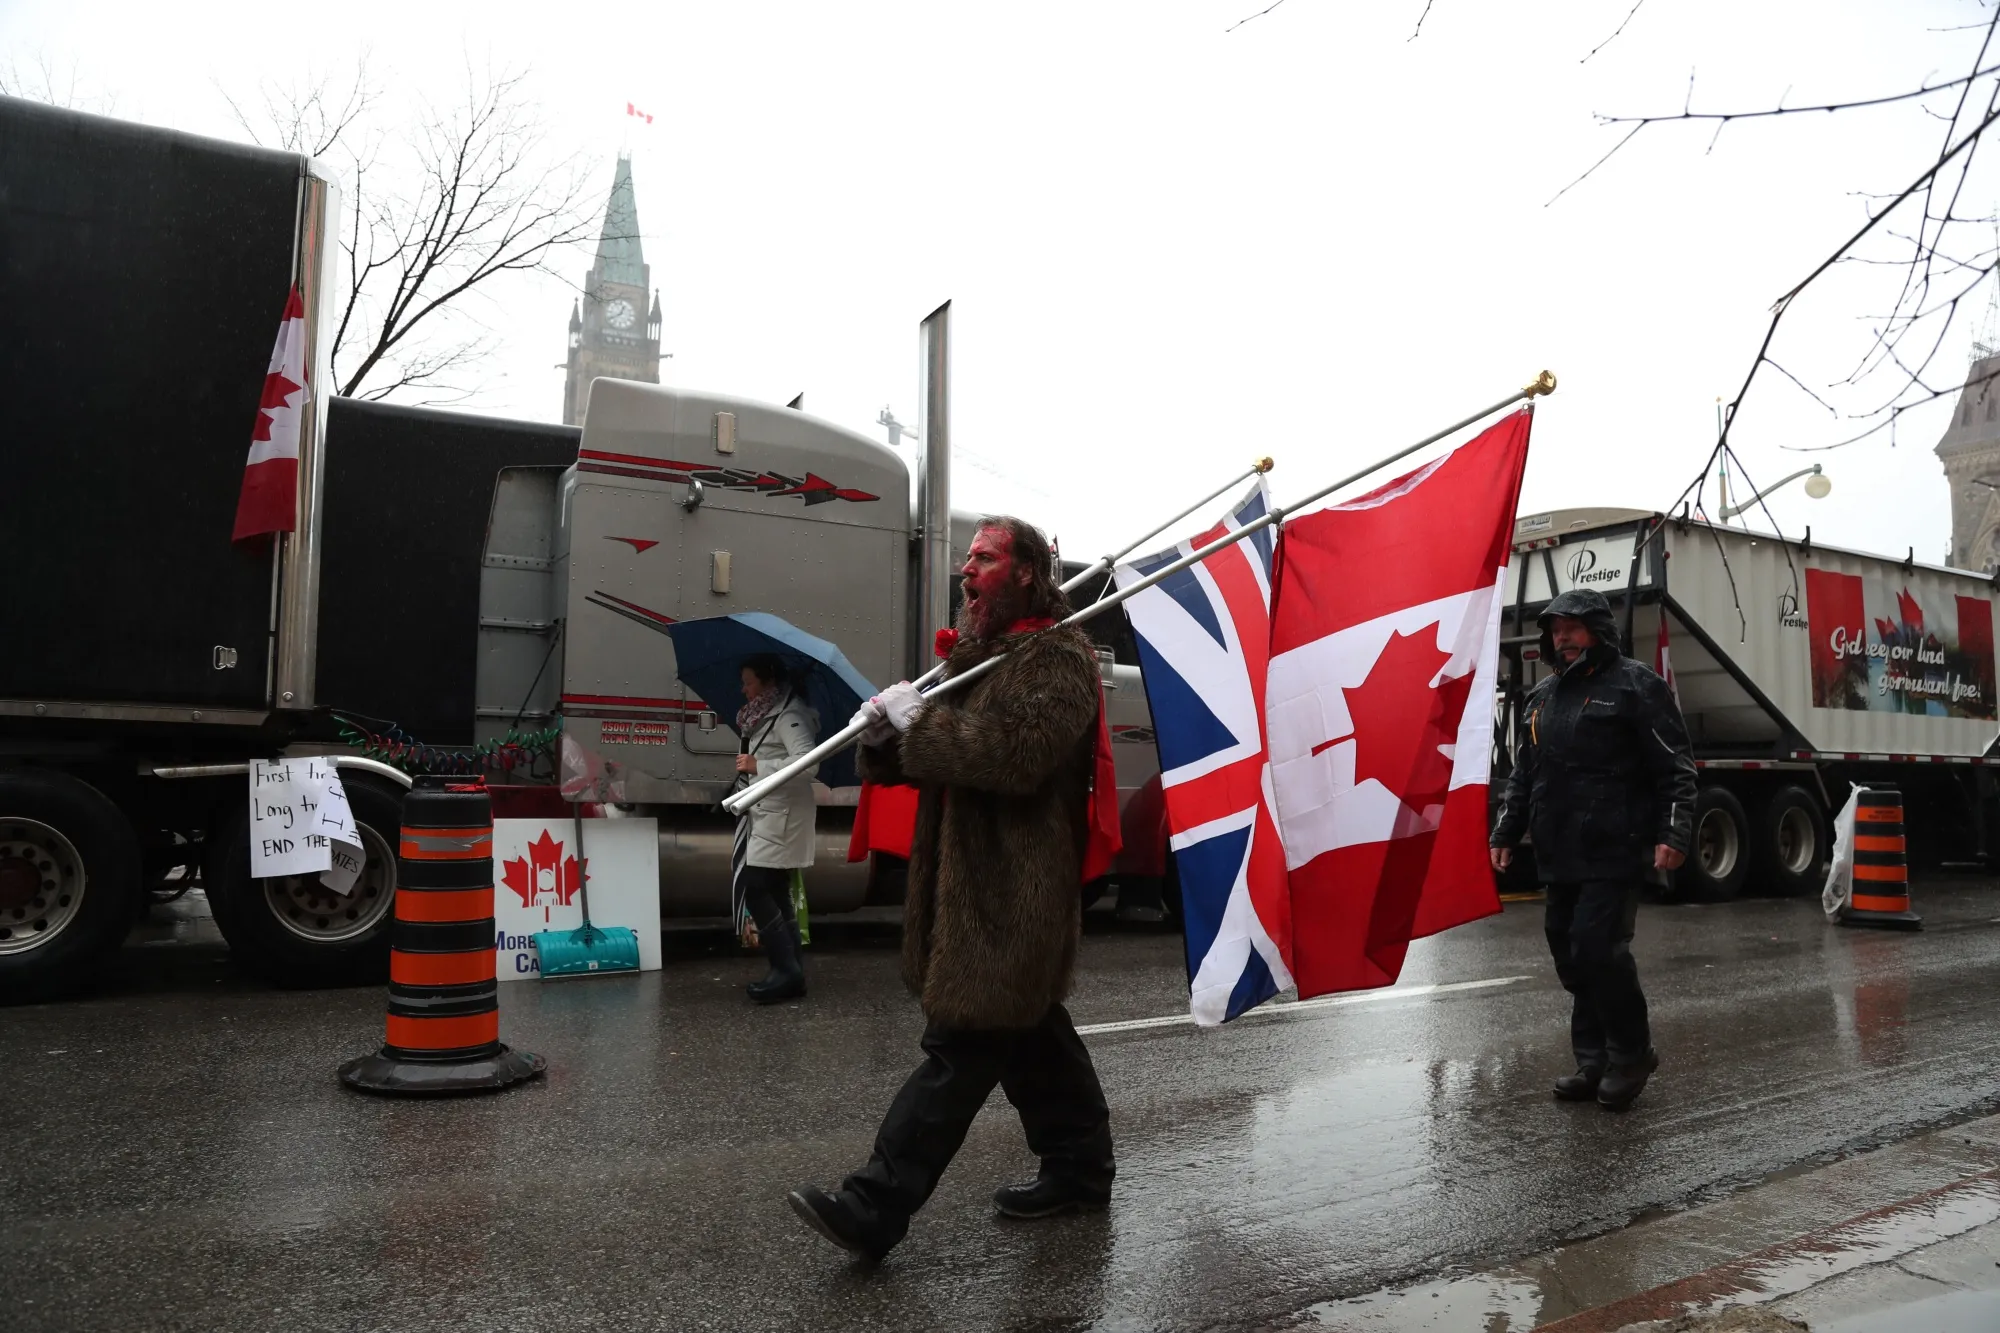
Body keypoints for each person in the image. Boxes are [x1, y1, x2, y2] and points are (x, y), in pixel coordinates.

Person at [787, 516, 1113, 1261]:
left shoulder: (1058, 657)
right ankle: (1082, 1167)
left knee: (962, 1042)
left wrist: (925, 724)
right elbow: (932, 760)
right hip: (966, 885)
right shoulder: (975, 658)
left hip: (1014, 890)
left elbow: (1015, 754)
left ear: (1027, 571)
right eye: (967, 558)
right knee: (1030, 1031)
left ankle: (875, 1205)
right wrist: (882, 742)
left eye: (985, 558)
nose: (966, 571)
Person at [1490, 588, 1696, 1112]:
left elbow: (1675, 767)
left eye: (1572, 629)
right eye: (1556, 630)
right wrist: (1506, 832)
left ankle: (1631, 1054)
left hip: (1615, 846)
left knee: (1597, 948)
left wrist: (1673, 834)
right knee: (1570, 954)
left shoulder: (1635, 685)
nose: (1562, 639)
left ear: (1598, 631)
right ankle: (1594, 1061)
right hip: (1559, 850)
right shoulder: (1543, 697)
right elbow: (1524, 775)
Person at [733, 653, 818, 1004]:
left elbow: (808, 761)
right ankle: (791, 971)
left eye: (749, 682)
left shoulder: (789, 713)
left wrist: (759, 764)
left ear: (768, 682)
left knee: (755, 886)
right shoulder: (767, 713)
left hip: (781, 815)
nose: (744, 690)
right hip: (768, 813)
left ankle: (785, 970)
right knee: (777, 890)